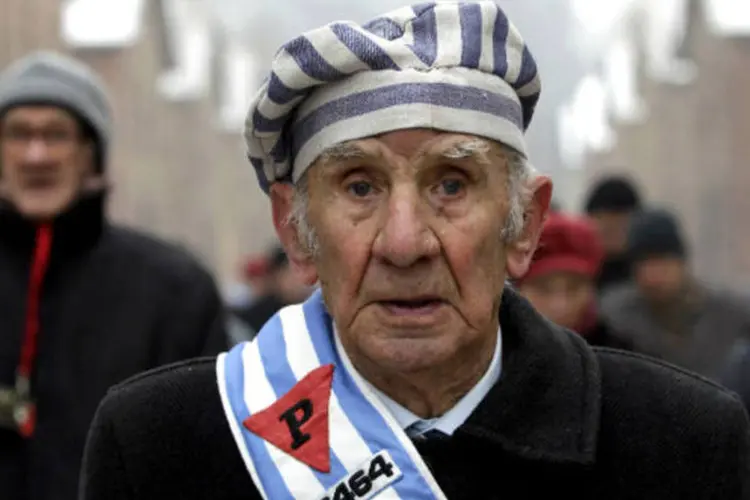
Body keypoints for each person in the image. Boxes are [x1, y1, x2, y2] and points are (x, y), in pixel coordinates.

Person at [80, 4, 749, 499]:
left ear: (523, 226)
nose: (405, 243)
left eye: (452, 183)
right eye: (359, 185)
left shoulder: (682, 447)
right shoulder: (161, 449)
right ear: (295, 229)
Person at [0, 52, 227, 500]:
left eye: (56, 135)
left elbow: (207, 455)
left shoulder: (175, 291)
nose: (36, 155)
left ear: (93, 156)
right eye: (18, 134)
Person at [600, 208, 750, 379]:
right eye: (644, 264)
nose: (653, 276)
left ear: (681, 262)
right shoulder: (615, 315)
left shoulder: (728, 312)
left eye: (662, 262)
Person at [517, 212, 630, 349]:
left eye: (573, 289)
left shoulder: (620, 356)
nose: (560, 305)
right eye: (543, 289)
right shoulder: (494, 357)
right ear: (519, 290)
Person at [233, 245, 314, 333]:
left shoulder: (314, 308)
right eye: (292, 273)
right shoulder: (260, 314)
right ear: (276, 276)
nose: (298, 281)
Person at [583, 175, 641, 293]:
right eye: (604, 222)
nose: (613, 229)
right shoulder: (579, 270)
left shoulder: (647, 274)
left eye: (620, 223)